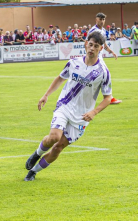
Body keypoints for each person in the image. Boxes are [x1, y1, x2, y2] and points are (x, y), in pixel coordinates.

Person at [24, 31, 112, 181]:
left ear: (101, 49)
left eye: (96, 46)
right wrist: (46, 95)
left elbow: (108, 97)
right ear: (86, 44)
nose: (92, 48)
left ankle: (33, 171)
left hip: (82, 116)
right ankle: (37, 153)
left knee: (58, 148)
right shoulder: (73, 62)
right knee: (54, 137)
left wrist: (94, 112)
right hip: (65, 105)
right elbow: (60, 78)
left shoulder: (103, 72)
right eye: (90, 45)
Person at [88, 12, 122, 105]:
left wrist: (111, 51)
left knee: (100, 76)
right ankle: (109, 98)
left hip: (99, 57)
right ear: (96, 19)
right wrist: (90, 56)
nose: (102, 21)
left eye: (103, 19)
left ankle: (107, 97)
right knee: (106, 74)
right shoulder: (93, 30)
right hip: (95, 57)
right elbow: (86, 43)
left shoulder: (103, 31)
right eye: (100, 19)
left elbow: (104, 44)